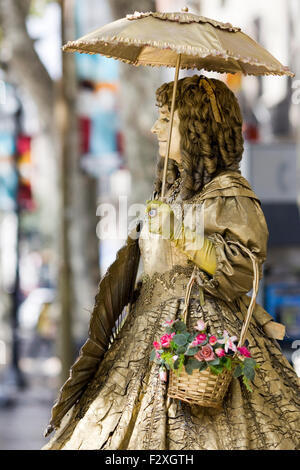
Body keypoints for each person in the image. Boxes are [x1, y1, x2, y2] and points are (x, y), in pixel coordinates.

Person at [44, 75, 300, 450]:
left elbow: (241, 271)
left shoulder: (230, 194)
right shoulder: (171, 187)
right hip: (141, 340)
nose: (154, 127)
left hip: (197, 343)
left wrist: (181, 233)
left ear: (196, 127)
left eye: (166, 118)